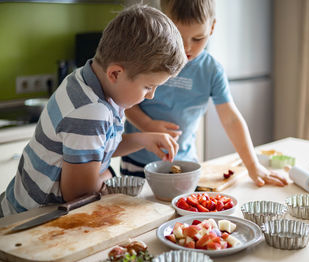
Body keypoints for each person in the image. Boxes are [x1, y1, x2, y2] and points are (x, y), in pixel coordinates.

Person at [0, 4, 186, 217]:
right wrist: (108, 177)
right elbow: (79, 193)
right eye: (148, 87)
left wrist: (143, 139)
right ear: (115, 73)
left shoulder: (89, 81)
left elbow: (95, 149)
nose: (151, 95)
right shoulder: (90, 111)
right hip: (29, 221)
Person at [120, 0, 288, 188]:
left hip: (185, 165)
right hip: (137, 163)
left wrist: (252, 165)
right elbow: (121, 100)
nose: (187, 47)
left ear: (212, 27)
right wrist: (147, 124)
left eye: (198, 38)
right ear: (165, 23)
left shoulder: (211, 70)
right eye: (178, 36)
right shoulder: (147, 58)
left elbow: (231, 119)